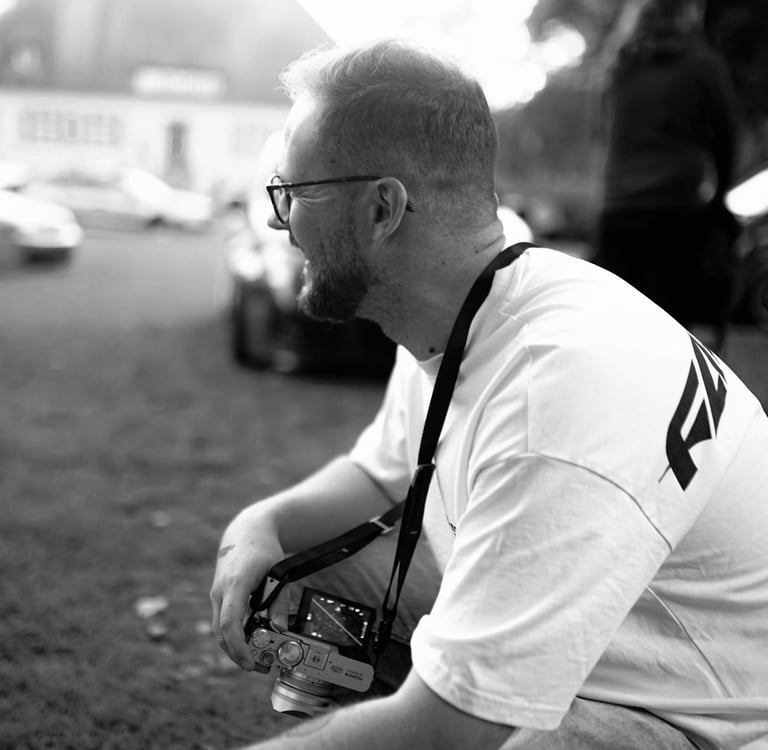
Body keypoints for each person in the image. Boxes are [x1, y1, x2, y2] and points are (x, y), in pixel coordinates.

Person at [210, 39, 768, 750]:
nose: (276, 220)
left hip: (704, 719)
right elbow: (379, 474)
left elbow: (449, 730)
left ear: (382, 209)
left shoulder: (554, 393)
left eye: (293, 192)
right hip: (607, 650)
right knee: (291, 579)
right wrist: (264, 524)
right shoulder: (467, 310)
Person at [593, 0, 741, 351]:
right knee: (668, 330)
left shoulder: (618, 67)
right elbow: (727, 137)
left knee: (616, 330)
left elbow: (603, 134)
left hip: (617, 211)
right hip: (673, 210)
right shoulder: (702, 65)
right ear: (686, 15)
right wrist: (719, 198)